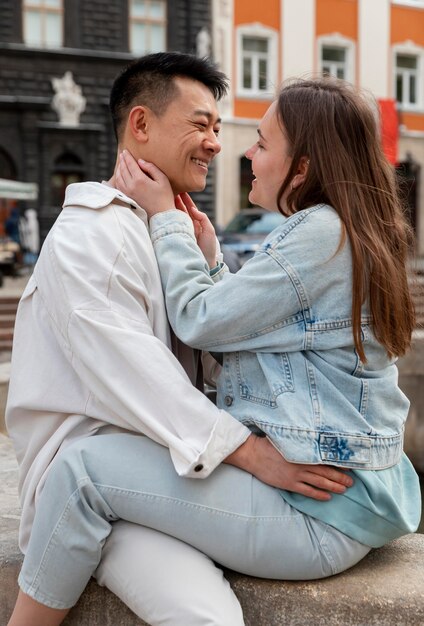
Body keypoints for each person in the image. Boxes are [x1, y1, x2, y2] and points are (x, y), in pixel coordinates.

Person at [6, 54, 352, 626]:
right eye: (200, 124)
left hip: (166, 471)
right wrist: (252, 454)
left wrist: (209, 260)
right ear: (140, 125)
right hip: (95, 494)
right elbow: (143, 379)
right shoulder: (95, 233)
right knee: (207, 619)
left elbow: (220, 357)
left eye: (219, 127)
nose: (217, 143)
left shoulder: (165, 224)